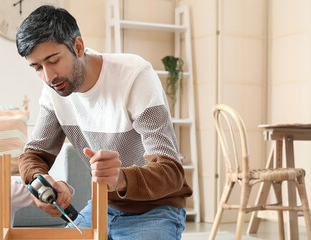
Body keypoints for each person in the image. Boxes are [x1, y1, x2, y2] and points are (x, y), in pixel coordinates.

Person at [15, 5, 193, 240]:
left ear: (78, 47)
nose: (48, 77)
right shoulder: (54, 93)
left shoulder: (135, 76)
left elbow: (171, 173)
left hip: (156, 209)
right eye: (37, 67)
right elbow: (33, 155)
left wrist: (120, 178)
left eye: (53, 60)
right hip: (102, 206)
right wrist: (40, 180)